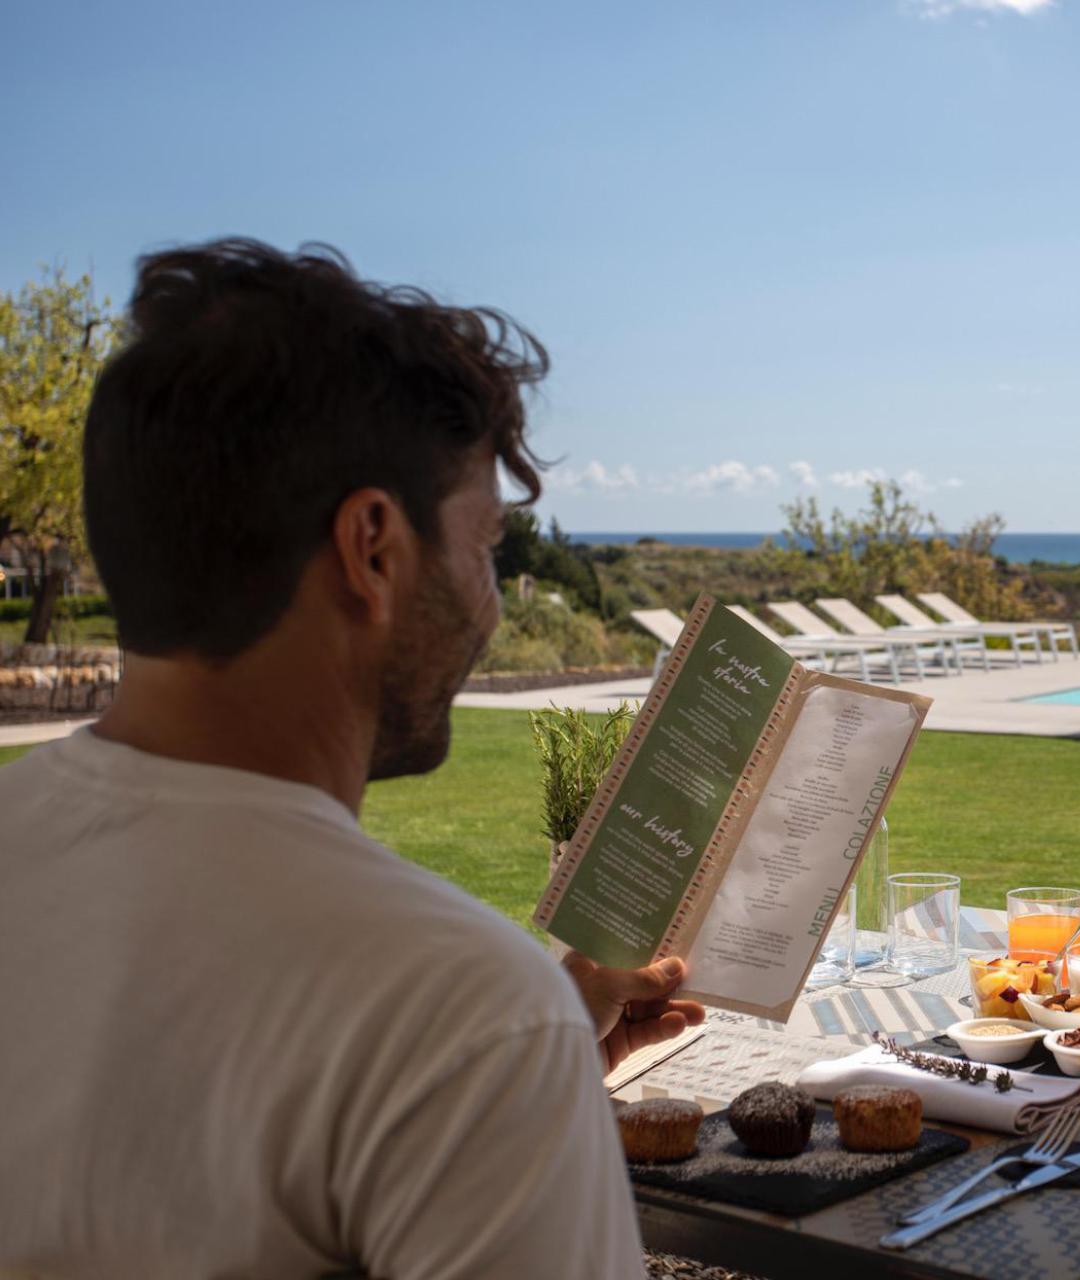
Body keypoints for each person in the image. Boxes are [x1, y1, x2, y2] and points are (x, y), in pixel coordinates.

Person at [0, 240, 702, 1277]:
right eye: (486, 546)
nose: (490, 602)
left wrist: (501, 1098)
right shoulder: (458, 1013)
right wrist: (505, 1065)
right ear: (372, 547)